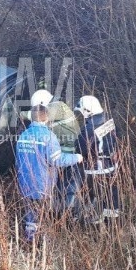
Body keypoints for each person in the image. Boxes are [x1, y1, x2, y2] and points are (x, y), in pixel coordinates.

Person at [16, 103, 83, 244]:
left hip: (25, 185)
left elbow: (18, 162)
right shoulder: (49, 137)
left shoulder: (23, 136)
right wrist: (76, 157)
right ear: (46, 118)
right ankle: (43, 248)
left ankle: (29, 243)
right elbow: (57, 160)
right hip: (42, 186)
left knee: (30, 218)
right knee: (43, 217)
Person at [73, 95, 121, 222]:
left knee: (91, 199)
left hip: (93, 171)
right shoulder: (110, 122)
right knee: (110, 199)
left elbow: (80, 148)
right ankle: (111, 225)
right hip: (111, 168)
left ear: (88, 111)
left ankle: (91, 225)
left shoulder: (89, 129)